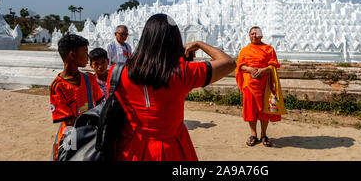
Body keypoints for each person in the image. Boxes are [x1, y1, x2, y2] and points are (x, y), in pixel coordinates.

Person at [106, 13, 236, 161]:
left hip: (130, 149)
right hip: (171, 149)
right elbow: (229, 62)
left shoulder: (116, 72)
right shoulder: (183, 73)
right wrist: (199, 44)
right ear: (175, 40)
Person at [49, 34, 105, 160]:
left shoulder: (90, 79)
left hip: (91, 131)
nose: (88, 56)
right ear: (72, 55)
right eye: (85, 52)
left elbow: (102, 103)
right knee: (70, 156)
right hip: (71, 135)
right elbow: (70, 122)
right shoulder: (58, 87)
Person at [235, 26, 281, 147]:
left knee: (265, 111)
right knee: (251, 110)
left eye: (256, 33)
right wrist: (250, 69)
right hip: (249, 85)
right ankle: (253, 134)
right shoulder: (245, 50)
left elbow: (274, 65)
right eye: (252, 34)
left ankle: (264, 134)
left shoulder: (268, 49)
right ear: (249, 36)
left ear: (261, 35)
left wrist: (264, 70)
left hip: (265, 85)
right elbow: (240, 66)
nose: (254, 35)